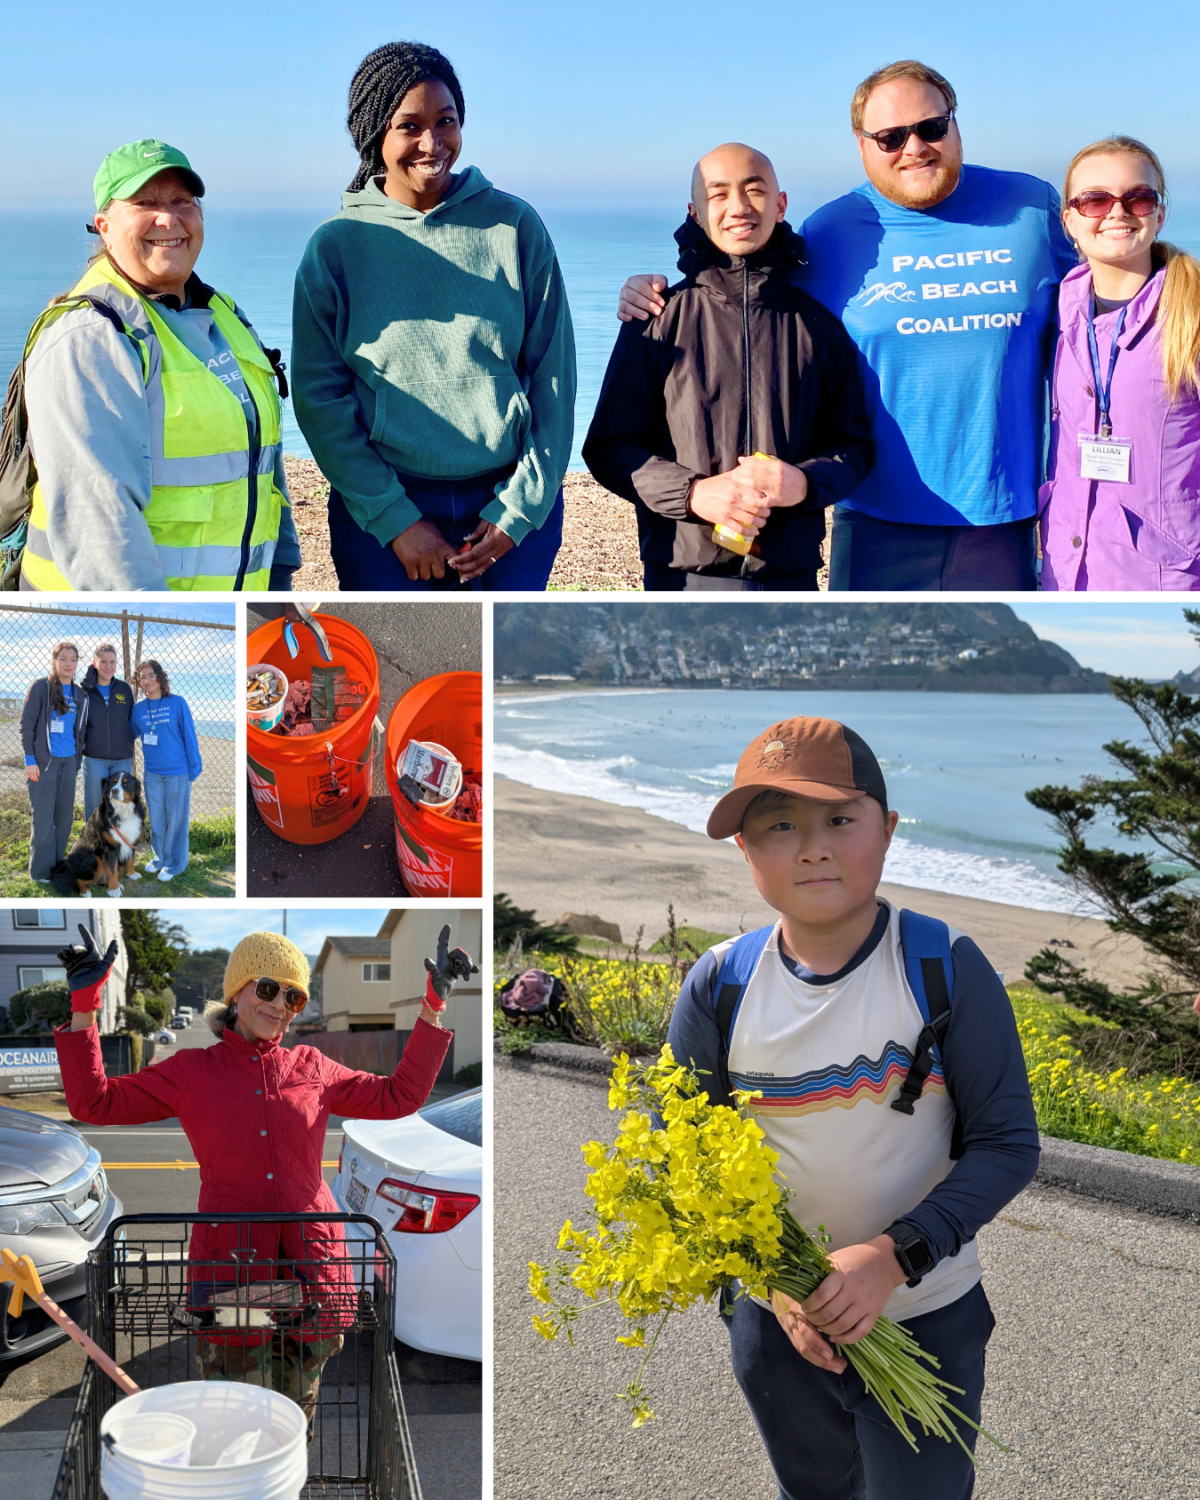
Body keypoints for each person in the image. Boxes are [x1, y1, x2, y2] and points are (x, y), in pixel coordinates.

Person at [666, 715, 1039, 1499]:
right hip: (777, 1328)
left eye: (840, 818)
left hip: (929, 1313)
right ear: (745, 850)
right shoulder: (719, 986)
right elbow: (689, 1167)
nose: (813, 847)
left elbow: (1007, 1145)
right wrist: (778, 1289)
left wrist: (891, 1257)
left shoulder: (944, 966)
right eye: (779, 825)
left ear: (889, 829)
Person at [617, 60, 1078, 591]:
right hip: (874, 515)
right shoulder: (832, 232)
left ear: (954, 123)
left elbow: (1099, 306)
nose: (915, 148)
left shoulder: (1031, 207)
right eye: (890, 137)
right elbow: (747, 308)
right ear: (862, 146)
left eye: (932, 127)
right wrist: (654, 295)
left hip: (1002, 517)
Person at [54, 925, 475, 1435]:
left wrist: (433, 1006)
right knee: (235, 1410)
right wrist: (84, 1005)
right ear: (237, 992)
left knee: (297, 1416)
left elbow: (399, 1096)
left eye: (294, 997)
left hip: (314, 1269)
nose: (281, 1006)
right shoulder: (191, 1071)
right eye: (269, 989)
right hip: (233, 1274)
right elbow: (92, 1103)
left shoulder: (312, 1066)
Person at [292, 41, 576, 591]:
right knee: (392, 664)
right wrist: (396, 519)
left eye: (445, 122)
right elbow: (319, 400)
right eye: (409, 126)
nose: (432, 143)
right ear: (374, 133)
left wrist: (518, 512)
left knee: (495, 668)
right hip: (382, 514)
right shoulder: (336, 247)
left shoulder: (514, 227)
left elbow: (554, 380)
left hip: (507, 506)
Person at [582, 144, 872, 590]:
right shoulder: (657, 319)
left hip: (788, 576)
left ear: (780, 204)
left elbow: (855, 447)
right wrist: (694, 494)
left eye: (754, 190)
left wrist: (804, 483)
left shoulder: (819, 326)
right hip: (680, 577)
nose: (738, 207)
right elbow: (608, 448)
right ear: (695, 212)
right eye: (718, 194)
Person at [18, 139, 299, 591]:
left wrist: (280, 569)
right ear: (104, 226)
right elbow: (99, 527)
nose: (168, 218)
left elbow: (261, 460)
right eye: (145, 203)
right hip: (140, 609)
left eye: (182, 201)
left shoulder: (225, 314)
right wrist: (161, 622)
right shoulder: (91, 336)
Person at [1040, 136, 1200, 590]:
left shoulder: (1192, 315)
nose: (1117, 211)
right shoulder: (1055, 312)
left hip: (1167, 579)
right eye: (1095, 200)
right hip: (1065, 570)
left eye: (1138, 197)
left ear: (1160, 213)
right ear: (1069, 220)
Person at [20, 641, 87, 882]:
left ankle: (57, 867)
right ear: (54, 661)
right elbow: (27, 725)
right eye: (63, 659)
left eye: (73, 659)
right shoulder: (41, 687)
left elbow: (80, 733)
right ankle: (40, 872)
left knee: (64, 818)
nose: (68, 664)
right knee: (44, 819)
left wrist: (76, 763)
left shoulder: (81, 695)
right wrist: (30, 760)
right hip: (43, 763)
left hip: (69, 763)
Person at [131, 659, 201, 882]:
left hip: (177, 772)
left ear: (160, 677)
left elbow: (189, 736)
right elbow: (128, 736)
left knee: (176, 820)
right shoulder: (138, 710)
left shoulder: (177, 703)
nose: (147, 680)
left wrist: (194, 767)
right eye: (142, 677)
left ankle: (174, 864)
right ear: (139, 682)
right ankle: (159, 858)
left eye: (151, 675)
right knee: (158, 819)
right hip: (152, 774)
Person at [80, 644, 137, 821]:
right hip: (94, 759)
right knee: (96, 807)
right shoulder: (84, 690)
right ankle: (93, 846)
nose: (108, 666)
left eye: (112, 662)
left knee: (120, 807)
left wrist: (125, 742)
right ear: (94, 662)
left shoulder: (124, 689)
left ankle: (117, 847)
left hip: (122, 760)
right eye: (103, 661)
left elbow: (132, 720)